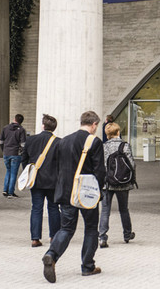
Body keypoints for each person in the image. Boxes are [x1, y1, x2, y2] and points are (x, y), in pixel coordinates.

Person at [42, 111, 106, 283]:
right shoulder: (94, 141)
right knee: (91, 228)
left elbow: (57, 167)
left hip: (66, 192)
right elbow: (100, 170)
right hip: (86, 193)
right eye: (96, 126)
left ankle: (51, 254)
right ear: (93, 124)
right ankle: (87, 266)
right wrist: (99, 191)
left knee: (66, 229)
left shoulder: (63, 141)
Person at [21, 114, 61, 248]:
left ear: (43, 126)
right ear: (54, 128)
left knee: (36, 208)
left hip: (36, 180)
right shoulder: (59, 142)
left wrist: (30, 173)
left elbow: (24, 160)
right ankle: (54, 236)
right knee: (54, 208)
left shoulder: (31, 140)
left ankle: (35, 238)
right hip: (53, 181)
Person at [98, 122, 136, 248]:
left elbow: (101, 166)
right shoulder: (125, 146)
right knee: (123, 209)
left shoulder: (103, 147)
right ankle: (127, 234)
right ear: (118, 132)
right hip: (123, 183)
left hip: (107, 183)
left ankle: (102, 237)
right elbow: (131, 164)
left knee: (105, 211)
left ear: (107, 134)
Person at [0, 114, 27, 199]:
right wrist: (22, 152)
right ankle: (11, 193)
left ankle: (5, 190)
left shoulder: (5, 128)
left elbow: (1, 141)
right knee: (13, 173)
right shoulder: (21, 130)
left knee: (8, 171)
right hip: (15, 154)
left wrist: (3, 150)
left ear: (14, 119)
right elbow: (23, 144)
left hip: (6, 153)